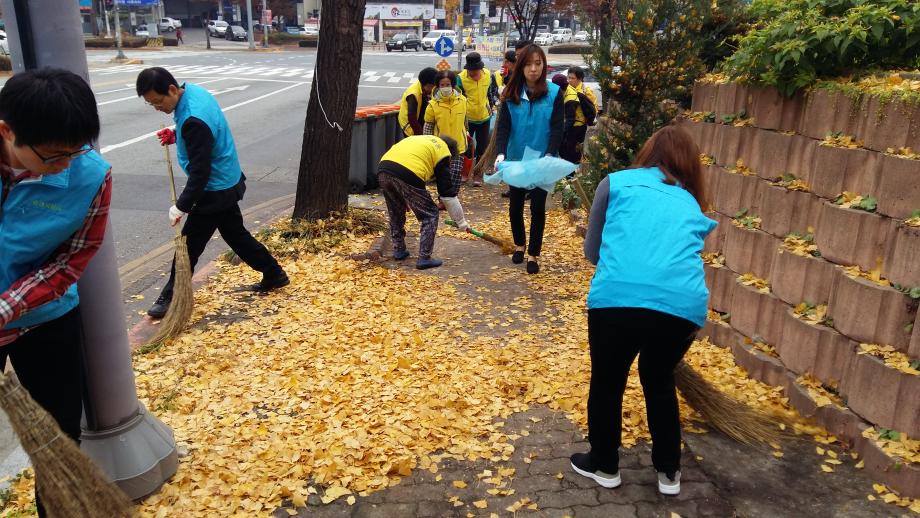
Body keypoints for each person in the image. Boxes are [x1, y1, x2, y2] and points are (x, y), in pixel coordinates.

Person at [571, 125, 717, 496]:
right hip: (682, 308)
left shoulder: (616, 183)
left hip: (617, 299)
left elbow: (592, 252)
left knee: (608, 379)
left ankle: (605, 465)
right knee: (658, 379)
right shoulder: (690, 202)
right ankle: (669, 472)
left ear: (648, 152)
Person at [0, 68, 112, 517]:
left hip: (44, 319)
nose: (66, 165)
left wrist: (8, 307)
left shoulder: (91, 176)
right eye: (52, 157)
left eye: (76, 150)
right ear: (7, 132)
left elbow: (71, 260)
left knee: (59, 432)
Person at [136, 67, 289, 319]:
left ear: (173, 90)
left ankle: (171, 294)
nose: (157, 107)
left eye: (158, 101)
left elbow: (200, 172)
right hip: (228, 179)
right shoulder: (194, 92)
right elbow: (205, 134)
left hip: (214, 189)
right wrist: (177, 134)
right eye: (151, 104)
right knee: (236, 235)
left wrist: (182, 206)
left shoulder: (193, 120)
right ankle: (273, 273)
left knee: (188, 244)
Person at [493, 44, 564, 275]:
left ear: (544, 66)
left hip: (543, 158)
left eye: (538, 63)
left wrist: (551, 153)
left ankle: (533, 254)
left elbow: (556, 127)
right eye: (528, 64)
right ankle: (519, 245)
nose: (533, 69)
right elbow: (503, 127)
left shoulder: (554, 93)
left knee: (537, 208)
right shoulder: (511, 94)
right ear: (521, 67)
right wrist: (501, 152)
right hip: (516, 159)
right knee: (515, 206)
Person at [377, 135, 469, 270]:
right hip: (407, 172)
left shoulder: (425, 140)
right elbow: (447, 194)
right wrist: (461, 222)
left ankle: (399, 250)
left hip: (383, 169)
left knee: (395, 211)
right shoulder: (443, 152)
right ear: (451, 154)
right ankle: (424, 258)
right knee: (430, 214)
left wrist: (405, 197)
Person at [457, 53, 496, 187]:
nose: (473, 73)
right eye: (470, 70)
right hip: (467, 118)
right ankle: (464, 173)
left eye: (475, 70)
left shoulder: (488, 75)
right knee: (466, 146)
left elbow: (491, 92)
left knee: (482, 146)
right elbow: (458, 97)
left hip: (484, 117)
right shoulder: (460, 78)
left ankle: (478, 174)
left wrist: (491, 106)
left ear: (480, 67)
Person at [561, 66, 600, 165]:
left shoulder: (585, 91)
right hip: (568, 125)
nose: (569, 80)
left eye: (572, 78)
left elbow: (593, 109)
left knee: (575, 153)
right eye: (568, 77)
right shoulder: (567, 89)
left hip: (579, 128)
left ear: (580, 79)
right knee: (565, 152)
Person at [398, 67, 437, 137]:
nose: (433, 88)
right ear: (424, 84)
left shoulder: (424, 87)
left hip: (420, 120)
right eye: (431, 86)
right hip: (410, 126)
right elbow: (412, 119)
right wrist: (421, 136)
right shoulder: (413, 94)